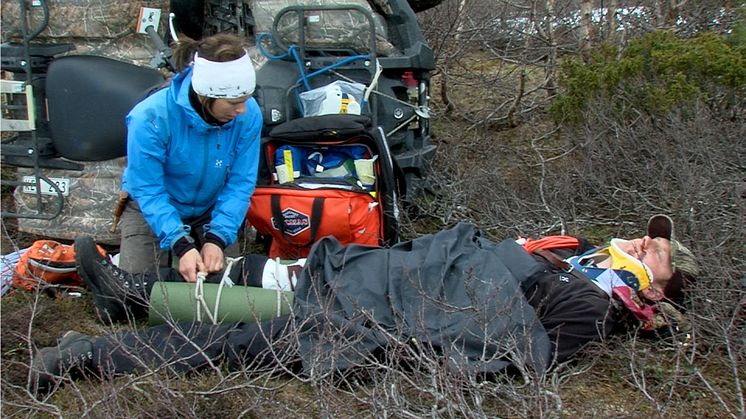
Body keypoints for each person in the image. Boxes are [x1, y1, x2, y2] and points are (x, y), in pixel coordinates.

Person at [29, 215, 699, 393]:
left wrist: (424, 344)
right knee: (273, 283)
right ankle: (130, 297)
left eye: (657, 251)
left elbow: (520, 353)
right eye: (652, 235)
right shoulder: (574, 256)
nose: (647, 239)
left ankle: (88, 358)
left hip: (387, 316)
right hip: (392, 277)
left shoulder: (590, 305)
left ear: (657, 288)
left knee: (241, 343)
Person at [118, 32, 262, 283]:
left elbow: (241, 183)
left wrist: (218, 237)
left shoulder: (248, 114)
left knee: (224, 284)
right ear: (206, 95)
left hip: (210, 208)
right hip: (151, 207)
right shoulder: (149, 118)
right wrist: (180, 244)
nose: (242, 110)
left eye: (246, 100)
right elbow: (148, 189)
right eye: (234, 102)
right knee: (138, 294)